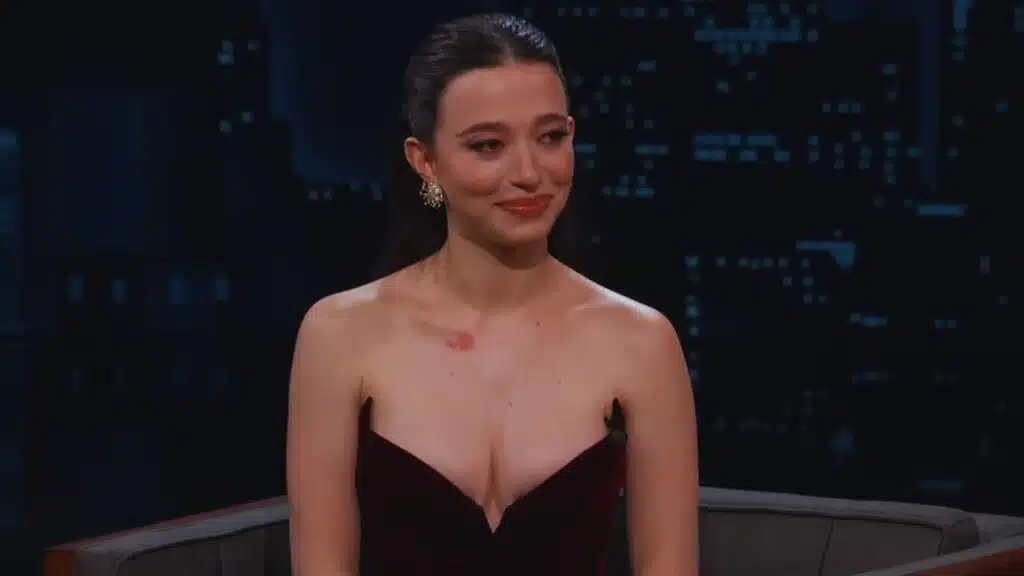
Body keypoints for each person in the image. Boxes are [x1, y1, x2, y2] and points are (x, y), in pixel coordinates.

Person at [287, 13, 698, 576]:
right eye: (488, 145)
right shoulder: (339, 335)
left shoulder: (643, 343)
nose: (529, 172)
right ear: (425, 161)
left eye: (550, 137)